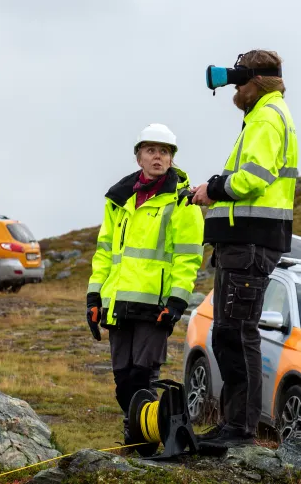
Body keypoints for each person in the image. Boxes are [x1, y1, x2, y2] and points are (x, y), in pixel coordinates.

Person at [189, 49, 299, 448]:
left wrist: (212, 188)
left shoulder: (268, 118)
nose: (234, 89)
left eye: (238, 81)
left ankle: (240, 429)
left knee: (237, 334)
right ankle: (234, 424)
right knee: (227, 334)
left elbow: (251, 179)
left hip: (251, 243)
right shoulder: (263, 116)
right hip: (241, 242)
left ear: (256, 81)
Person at [86, 123, 205, 446]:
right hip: (117, 303)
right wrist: (94, 298)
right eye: (151, 150)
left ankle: (144, 440)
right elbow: (104, 253)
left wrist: (177, 302)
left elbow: (189, 256)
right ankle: (139, 432)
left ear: (171, 159)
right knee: (123, 380)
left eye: (164, 151)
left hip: (155, 305)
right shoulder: (118, 200)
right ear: (139, 156)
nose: (158, 157)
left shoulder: (182, 201)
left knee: (143, 378)